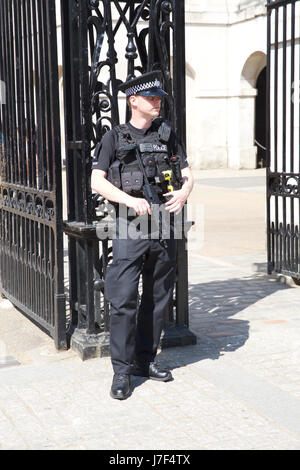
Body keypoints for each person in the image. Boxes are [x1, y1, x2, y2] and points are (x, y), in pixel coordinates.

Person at [91, 71, 194, 400]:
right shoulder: (114, 138)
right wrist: (128, 199)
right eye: (152, 98)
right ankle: (121, 372)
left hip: (164, 226)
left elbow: (188, 175)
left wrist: (185, 193)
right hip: (129, 226)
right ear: (133, 100)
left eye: (159, 98)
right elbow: (97, 181)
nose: (158, 102)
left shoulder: (167, 135)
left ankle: (145, 361)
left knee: (158, 298)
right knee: (123, 301)